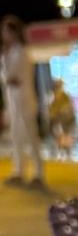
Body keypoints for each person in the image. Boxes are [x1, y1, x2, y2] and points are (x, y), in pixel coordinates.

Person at [1, 15, 47, 192]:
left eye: (6, 31)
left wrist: (5, 70)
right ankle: (18, 171)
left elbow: (11, 77)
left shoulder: (21, 52)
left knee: (30, 136)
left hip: (24, 100)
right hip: (13, 101)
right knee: (16, 137)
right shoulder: (9, 53)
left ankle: (38, 174)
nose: (3, 35)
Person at [47, 79, 77, 155]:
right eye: (57, 87)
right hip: (59, 128)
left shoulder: (66, 99)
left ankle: (67, 149)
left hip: (66, 126)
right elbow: (52, 118)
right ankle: (63, 148)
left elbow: (70, 115)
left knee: (66, 144)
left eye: (59, 87)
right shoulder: (53, 101)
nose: (58, 90)